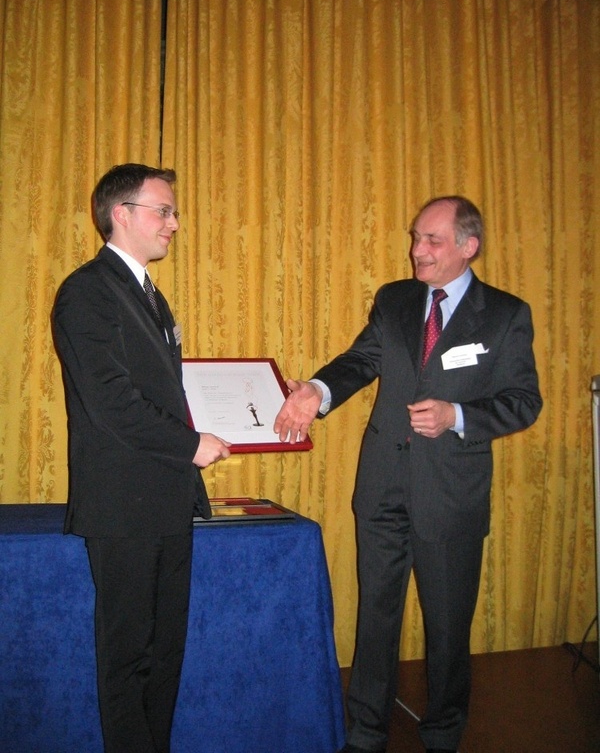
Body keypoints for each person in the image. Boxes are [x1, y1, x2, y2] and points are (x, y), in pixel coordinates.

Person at [274, 196, 542, 753]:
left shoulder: (506, 314)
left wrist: (458, 416)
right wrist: (317, 393)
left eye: (433, 241)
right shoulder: (395, 299)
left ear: (469, 247)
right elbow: (361, 359)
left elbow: (523, 401)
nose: (417, 250)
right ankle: (365, 730)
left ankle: (443, 731)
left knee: (447, 625)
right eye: (416, 237)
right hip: (382, 486)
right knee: (376, 615)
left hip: (451, 494)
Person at [52, 163, 231, 753]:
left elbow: (163, 394)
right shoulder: (87, 291)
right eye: (164, 210)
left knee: (164, 657)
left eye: (173, 211)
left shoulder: (148, 295)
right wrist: (191, 443)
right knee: (128, 660)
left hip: (166, 502)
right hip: (124, 509)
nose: (175, 223)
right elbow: (111, 402)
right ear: (121, 214)